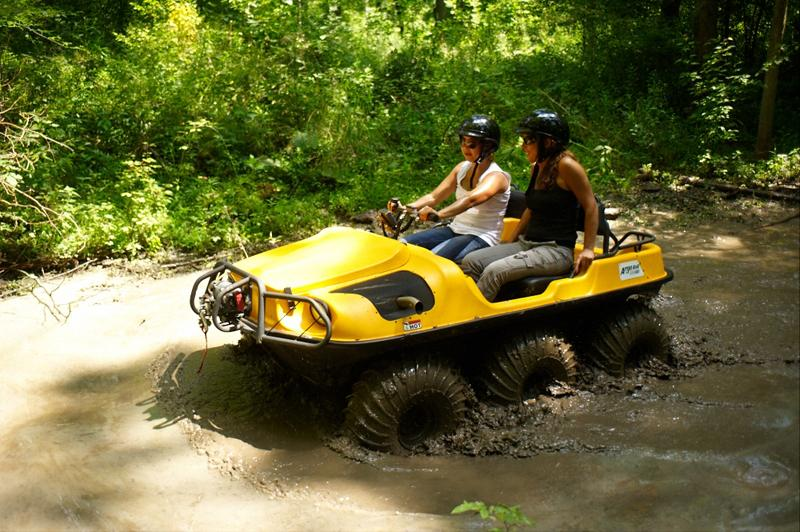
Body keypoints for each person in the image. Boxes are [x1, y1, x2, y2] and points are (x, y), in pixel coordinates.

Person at [461, 109, 598, 301]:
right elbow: (531, 208)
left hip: (556, 250)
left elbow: (590, 205)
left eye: (528, 140)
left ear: (548, 142)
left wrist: (588, 249)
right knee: (471, 261)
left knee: (494, 271)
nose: (523, 146)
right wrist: (512, 239)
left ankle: (473, 320)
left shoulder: (567, 166)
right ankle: (482, 305)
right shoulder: (538, 167)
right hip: (528, 244)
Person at [397, 114, 511, 263]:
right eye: (463, 142)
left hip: (481, 236)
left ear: (488, 146)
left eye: (471, 144)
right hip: (455, 229)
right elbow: (434, 197)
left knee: (432, 261)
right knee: (403, 246)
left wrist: (439, 214)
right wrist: (406, 208)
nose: (465, 148)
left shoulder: (496, 177)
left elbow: (471, 200)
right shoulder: (461, 168)